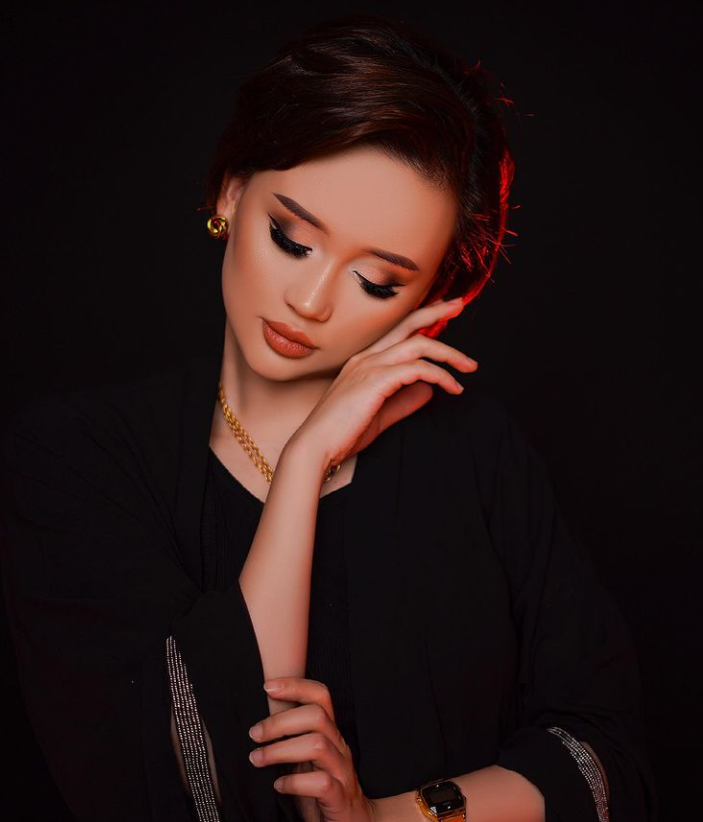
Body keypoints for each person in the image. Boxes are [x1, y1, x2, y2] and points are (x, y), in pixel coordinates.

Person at [0, 12, 659, 822]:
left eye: (377, 282)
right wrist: (304, 464)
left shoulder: (477, 454)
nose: (309, 302)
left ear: (429, 302)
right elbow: (171, 783)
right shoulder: (75, 458)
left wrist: (385, 817)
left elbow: (604, 754)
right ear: (229, 190)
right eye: (290, 237)